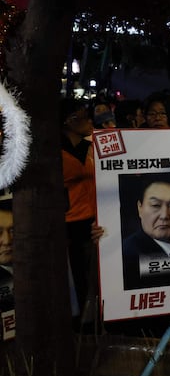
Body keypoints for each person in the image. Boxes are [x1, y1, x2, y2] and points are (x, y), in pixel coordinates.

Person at [61, 98, 98, 314]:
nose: (89, 121)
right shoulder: (54, 153)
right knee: (77, 279)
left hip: (93, 222)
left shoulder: (92, 147)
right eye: (83, 117)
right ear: (68, 121)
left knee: (91, 276)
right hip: (69, 226)